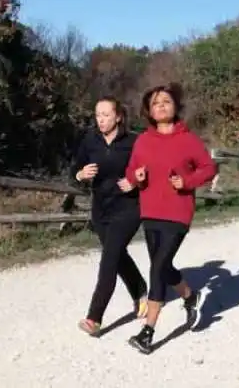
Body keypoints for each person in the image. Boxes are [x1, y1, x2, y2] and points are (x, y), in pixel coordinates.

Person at [122, 83, 218, 355]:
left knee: (158, 267)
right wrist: (135, 177)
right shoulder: (143, 140)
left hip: (178, 212)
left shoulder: (188, 139)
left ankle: (148, 331)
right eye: (155, 103)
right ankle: (190, 295)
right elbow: (131, 171)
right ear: (149, 111)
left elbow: (209, 168)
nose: (161, 106)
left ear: (175, 106)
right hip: (150, 211)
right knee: (162, 267)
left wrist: (187, 181)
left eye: (166, 101)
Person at [72, 96, 148, 337]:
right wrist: (80, 174)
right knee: (117, 255)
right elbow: (73, 168)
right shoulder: (90, 141)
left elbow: (149, 170)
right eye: (98, 115)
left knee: (108, 260)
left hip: (128, 209)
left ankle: (94, 318)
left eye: (106, 114)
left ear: (118, 116)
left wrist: (135, 180)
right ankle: (140, 291)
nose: (101, 119)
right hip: (101, 210)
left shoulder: (134, 141)